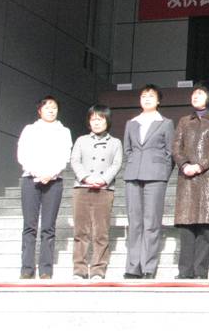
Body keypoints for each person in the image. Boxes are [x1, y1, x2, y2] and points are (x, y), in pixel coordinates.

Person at [172, 81, 209, 279]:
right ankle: (184, 272)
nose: (195, 96)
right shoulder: (184, 121)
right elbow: (176, 147)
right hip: (186, 178)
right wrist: (185, 164)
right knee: (186, 226)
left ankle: (201, 271)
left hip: (206, 178)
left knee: (204, 226)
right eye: (194, 93)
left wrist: (200, 166)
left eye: (200, 93)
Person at [17, 95, 72, 279]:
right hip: (30, 179)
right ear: (39, 110)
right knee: (29, 226)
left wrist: (50, 174)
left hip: (54, 181)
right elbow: (22, 153)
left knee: (48, 226)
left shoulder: (64, 131)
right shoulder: (30, 129)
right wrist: (36, 172)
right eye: (47, 107)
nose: (51, 110)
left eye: (54, 107)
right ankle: (27, 269)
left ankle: (46, 270)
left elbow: (65, 155)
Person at [123, 84, 175, 279]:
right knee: (134, 221)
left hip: (156, 176)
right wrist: (134, 164)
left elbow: (170, 152)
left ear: (158, 101)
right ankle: (133, 266)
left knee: (151, 222)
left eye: (151, 96)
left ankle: (148, 267)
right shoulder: (131, 123)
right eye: (144, 96)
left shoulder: (166, 123)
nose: (147, 99)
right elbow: (128, 149)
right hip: (133, 175)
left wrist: (163, 174)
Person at [70, 104, 122, 280]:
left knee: (101, 232)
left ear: (107, 121)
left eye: (100, 119)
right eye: (93, 119)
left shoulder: (115, 142)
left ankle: (98, 270)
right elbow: (75, 161)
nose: (97, 122)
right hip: (82, 188)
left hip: (104, 189)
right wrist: (86, 178)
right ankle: (79, 269)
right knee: (81, 232)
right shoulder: (81, 140)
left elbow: (116, 164)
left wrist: (103, 179)